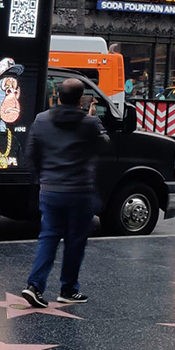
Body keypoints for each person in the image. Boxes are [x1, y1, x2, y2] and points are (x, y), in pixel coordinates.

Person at [21, 78, 109, 308]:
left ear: (57, 96)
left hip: (50, 190)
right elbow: (104, 145)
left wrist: (43, 178)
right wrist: (94, 118)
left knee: (48, 237)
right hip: (80, 192)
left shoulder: (41, 120)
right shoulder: (88, 123)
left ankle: (35, 286)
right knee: (75, 241)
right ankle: (68, 289)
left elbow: (31, 154)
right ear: (80, 99)